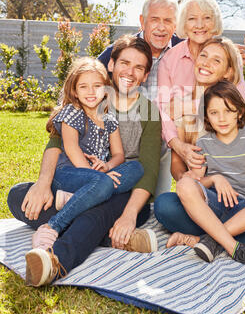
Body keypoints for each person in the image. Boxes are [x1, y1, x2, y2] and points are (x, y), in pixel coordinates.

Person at [8, 35, 162, 287]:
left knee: (99, 210)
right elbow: (57, 144)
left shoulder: (149, 112)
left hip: (123, 191)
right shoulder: (90, 98)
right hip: (82, 180)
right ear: (111, 64)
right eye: (124, 63)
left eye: (139, 67)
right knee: (19, 197)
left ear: (145, 75)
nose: (130, 72)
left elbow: (148, 169)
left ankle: (54, 261)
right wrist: (43, 184)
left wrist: (130, 215)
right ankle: (116, 239)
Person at [154, 37, 245, 251]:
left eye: (216, 61)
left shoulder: (244, 101)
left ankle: (207, 240)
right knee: (165, 206)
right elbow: (177, 166)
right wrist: (190, 179)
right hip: (208, 201)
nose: (206, 63)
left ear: (228, 72)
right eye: (203, 56)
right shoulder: (181, 108)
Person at [30, 56, 144, 251]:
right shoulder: (72, 112)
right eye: (83, 87)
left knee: (136, 167)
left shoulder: (109, 120)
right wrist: (98, 175)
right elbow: (72, 148)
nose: (91, 92)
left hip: (98, 175)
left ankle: (80, 197)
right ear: (74, 91)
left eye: (97, 86)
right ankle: (52, 225)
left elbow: (119, 155)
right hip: (69, 173)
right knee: (104, 183)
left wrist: (107, 166)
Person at [171, 80, 245, 270]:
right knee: (184, 185)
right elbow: (197, 181)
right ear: (207, 117)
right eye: (214, 113)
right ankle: (235, 247)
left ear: (240, 112)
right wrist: (216, 179)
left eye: (228, 111)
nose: (222, 118)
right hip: (217, 204)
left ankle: (210, 240)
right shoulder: (204, 143)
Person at [99, 0, 182, 196]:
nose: (161, 28)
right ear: (142, 20)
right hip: (119, 130)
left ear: (176, 24)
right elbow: (86, 85)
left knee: (153, 200)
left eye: (168, 21)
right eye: (155, 19)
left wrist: (228, 53)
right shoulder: (118, 51)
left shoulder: (184, 50)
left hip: (160, 135)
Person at [157, 0, 245, 170]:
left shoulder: (228, 52)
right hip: (185, 136)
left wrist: (188, 106)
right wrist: (178, 146)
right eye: (192, 18)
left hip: (224, 130)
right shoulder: (169, 59)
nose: (200, 25)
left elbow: (241, 95)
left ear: (215, 21)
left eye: (207, 18)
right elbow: (163, 109)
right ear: (183, 22)